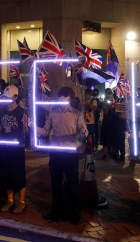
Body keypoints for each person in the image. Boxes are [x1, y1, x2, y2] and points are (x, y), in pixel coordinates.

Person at [37, 86, 88, 224]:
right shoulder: (53, 114)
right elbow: (45, 131)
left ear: (70, 99)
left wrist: (84, 132)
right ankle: (56, 211)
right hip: (55, 153)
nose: (62, 101)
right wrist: (34, 128)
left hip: (70, 154)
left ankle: (76, 213)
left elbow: (84, 132)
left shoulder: (77, 114)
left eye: (65, 98)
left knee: (73, 184)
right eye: (60, 98)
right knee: (55, 184)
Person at [0, 84, 28, 213]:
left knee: (18, 174)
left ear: (16, 97)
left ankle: (21, 201)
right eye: (4, 97)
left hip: (17, 149)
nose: (6, 99)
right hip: (4, 147)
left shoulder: (21, 112)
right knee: (6, 173)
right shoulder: (1, 111)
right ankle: (9, 200)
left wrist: (26, 123)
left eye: (8, 97)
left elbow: (26, 131)